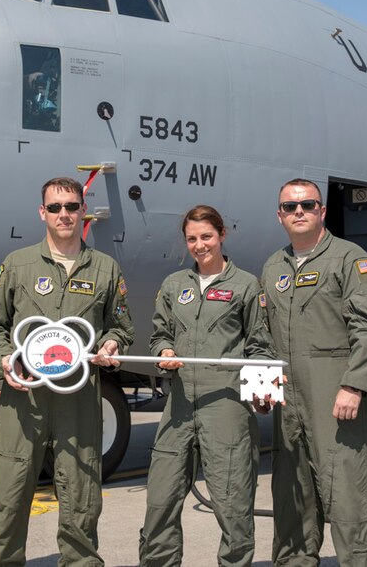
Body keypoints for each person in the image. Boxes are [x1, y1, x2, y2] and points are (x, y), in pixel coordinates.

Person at [0, 176, 134, 566]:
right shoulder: (18, 265)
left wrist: (112, 344)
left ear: (84, 211)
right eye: (55, 207)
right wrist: (4, 361)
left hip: (78, 399)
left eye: (72, 206)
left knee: (82, 499)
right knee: (9, 498)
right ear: (42, 212)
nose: (64, 214)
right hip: (24, 397)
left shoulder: (105, 268)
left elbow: (121, 327)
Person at [260, 179, 367, 566]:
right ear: (279, 215)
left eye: (308, 205)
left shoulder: (351, 259)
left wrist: (355, 385)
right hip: (289, 400)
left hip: (335, 395)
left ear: (323, 211)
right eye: (290, 207)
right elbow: (262, 335)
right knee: (291, 496)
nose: (298, 212)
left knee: (350, 495)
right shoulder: (273, 265)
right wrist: (263, 387)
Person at [138, 205, 275, 567]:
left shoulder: (246, 285)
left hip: (226, 406)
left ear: (222, 235)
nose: (199, 245)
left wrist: (263, 388)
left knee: (232, 505)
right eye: (192, 239)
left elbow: (260, 346)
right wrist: (165, 351)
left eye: (206, 237)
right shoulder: (174, 285)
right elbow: (160, 335)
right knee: (160, 501)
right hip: (179, 405)